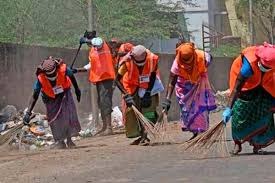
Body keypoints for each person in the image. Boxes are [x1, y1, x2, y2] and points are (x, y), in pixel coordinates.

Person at [222, 42, 275, 155]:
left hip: (264, 84)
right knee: (239, 114)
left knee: (265, 110)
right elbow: (237, 88)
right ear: (260, 60)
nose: (265, 68)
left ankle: (258, 144)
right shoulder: (248, 65)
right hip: (245, 87)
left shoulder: (272, 63)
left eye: (268, 68)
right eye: (264, 66)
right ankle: (238, 143)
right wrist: (228, 108)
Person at [23, 57, 81, 149]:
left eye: (54, 75)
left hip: (64, 94)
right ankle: (59, 141)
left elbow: (72, 77)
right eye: (49, 76)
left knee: (67, 116)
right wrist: (28, 113)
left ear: (56, 70)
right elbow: (35, 96)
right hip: (50, 98)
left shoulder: (63, 69)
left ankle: (69, 141)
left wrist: (77, 90)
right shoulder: (41, 78)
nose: (52, 78)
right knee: (53, 119)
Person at [162, 42, 216, 140]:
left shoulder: (201, 56)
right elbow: (171, 82)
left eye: (189, 60)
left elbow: (210, 58)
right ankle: (195, 132)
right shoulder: (176, 63)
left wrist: (201, 72)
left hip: (199, 87)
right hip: (184, 90)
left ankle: (201, 131)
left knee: (200, 109)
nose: (187, 63)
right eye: (184, 60)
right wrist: (167, 99)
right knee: (188, 110)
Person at [115, 45, 164, 145]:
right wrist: (126, 95)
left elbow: (153, 76)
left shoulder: (152, 60)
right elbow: (116, 81)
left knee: (148, 110)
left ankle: (146, 135)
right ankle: (141, 135)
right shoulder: (127, 62)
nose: (140, 66)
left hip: (147, 86)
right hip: (132, 87)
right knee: (134, 111)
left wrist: (148, 92)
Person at [74, 37, 115, 136]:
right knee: (100, 102)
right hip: (99, 79)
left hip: (107, 78)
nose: (96, 47)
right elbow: (91, 65)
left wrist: (85, 40)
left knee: (105, 101)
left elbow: (97, 41)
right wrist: (78, 70)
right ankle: (104, 126)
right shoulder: (93, 50)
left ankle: (109, 128)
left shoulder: (104, 45)